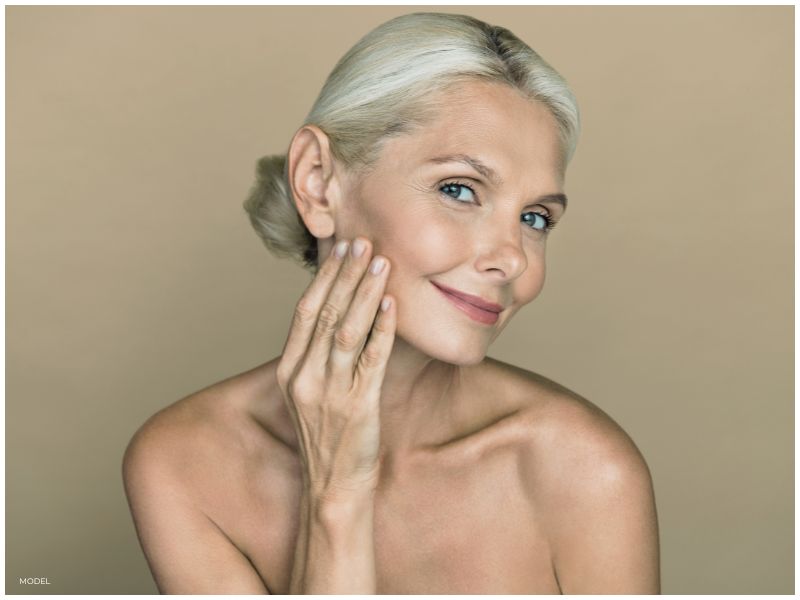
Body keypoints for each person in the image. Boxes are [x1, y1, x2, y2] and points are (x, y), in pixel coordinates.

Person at [122, 12, 660, 594]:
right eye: (459, 189)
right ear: (318, 181)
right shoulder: (183, 463)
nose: (513, 259)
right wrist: (337, 495)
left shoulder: (584, 470)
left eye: (535, 219)